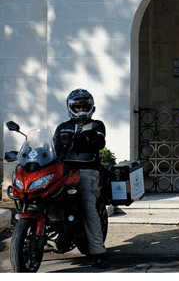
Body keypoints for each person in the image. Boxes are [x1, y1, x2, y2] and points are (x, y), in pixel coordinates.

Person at [52, 89, 109, 269]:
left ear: (91, 107)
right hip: (64, 171)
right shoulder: (62, 127)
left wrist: (81, 137)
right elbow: (53, 148)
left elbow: (99, 143)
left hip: (86, 172)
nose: (81, 110)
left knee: (87, 208)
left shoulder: (97, 125)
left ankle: (98, 252)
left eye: (84, 106)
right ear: (71, 108)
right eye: (77, 107)